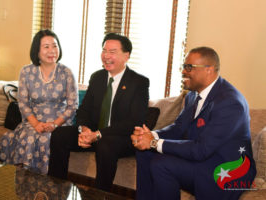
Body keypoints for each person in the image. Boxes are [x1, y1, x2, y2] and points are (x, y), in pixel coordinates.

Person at [131, 47, 256, 200]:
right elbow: (178, 128)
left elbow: (201, 149)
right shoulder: (192, 95)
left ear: (209, 70)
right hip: (204, 159)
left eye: (189, 67)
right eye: (184, 66)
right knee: (144, 152)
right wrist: (150, 135)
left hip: (225, 168)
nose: (183, 71)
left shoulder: (229, 103)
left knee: (161, 164)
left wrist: (154, 143)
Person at [48, 33, 149, 191]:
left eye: (112, 52)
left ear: (126, 56)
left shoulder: (139, 82)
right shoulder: (97, 77)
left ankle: (100, 195)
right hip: (94, 135)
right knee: (59, 135)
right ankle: (55, 189)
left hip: (120, 139)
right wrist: (84, 130)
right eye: (104, 50)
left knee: (105, 144)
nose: (106, 56)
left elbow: (134, 121)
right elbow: (84, 110)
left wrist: (98, 134)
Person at [0, 29, 78, 174]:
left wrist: (54, 124)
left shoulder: (66, 72)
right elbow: (23, 103)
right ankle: (26, 182)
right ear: (37, 51)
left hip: (59, 122)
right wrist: (36, 124)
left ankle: (49, 186)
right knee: (28, 137)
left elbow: (72, 105)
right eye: (46, 47)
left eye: (55, 45)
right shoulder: (26, 72)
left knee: (48, 139)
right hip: (33, 121)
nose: (52, 50)